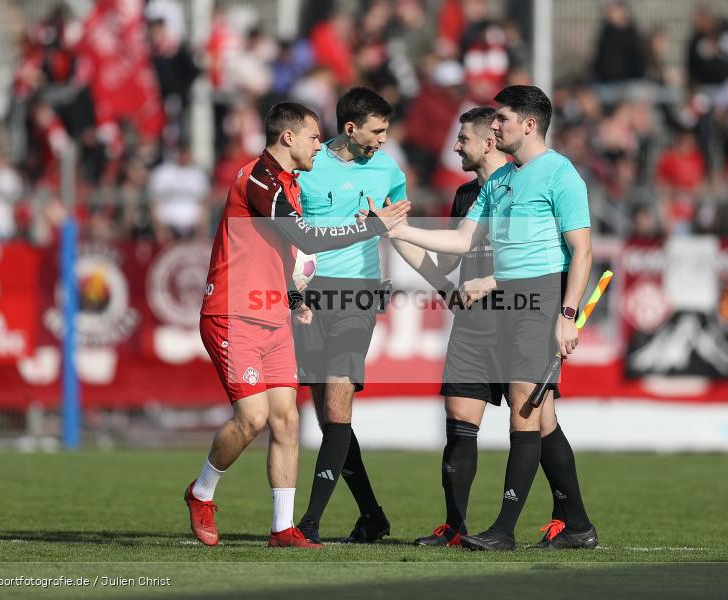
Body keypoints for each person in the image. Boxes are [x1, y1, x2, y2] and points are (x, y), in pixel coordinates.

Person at [185, 102, 409, 548]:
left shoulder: (288, 183)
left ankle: (283, 529)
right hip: (233, 314)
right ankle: (201, 491)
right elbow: (303, 237)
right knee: (253, 418)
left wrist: (295, 296)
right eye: (311, 137)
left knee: (287, 421)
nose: (317, 145)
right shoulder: (259, 178)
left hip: (273, 315)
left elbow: (283, 252)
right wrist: (370, 227)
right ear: (288, 138)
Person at [388, 85, 597, 551]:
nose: (494, 125)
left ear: (528, 124)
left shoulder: (561, 175)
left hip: (541, 302)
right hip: (501, 312)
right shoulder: (499, 183)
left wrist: (567, 313)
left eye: (501, 118)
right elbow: (462, 243)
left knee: (526, 415)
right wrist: (398, 230)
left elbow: (581, 251)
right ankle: (575, 526)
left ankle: (504, 530)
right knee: (534, 419)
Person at [293, 86, 430, 545]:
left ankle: (308, 523)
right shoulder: (308, 166)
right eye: (377, 131)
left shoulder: (388, 170)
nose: (383, 140)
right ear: (349, 129)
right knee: (331, 418)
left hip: (358, 296)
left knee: (336, 405)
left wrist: (441, 277)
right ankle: (372, 516)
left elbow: (399, 230)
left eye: (386, 130)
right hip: (311, 298)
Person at [410, 106, 506, 546]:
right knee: (459, 424)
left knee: (538, 428)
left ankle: (571, 521)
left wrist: (493, 281)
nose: (455, 146)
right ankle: (455, 526)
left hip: (520, 324)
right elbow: (450, 258)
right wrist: (400, 231)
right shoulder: (465, 195)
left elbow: (543, 259)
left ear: (489, 141)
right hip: (472, 328)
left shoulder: (524, 190)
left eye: (463, 139)